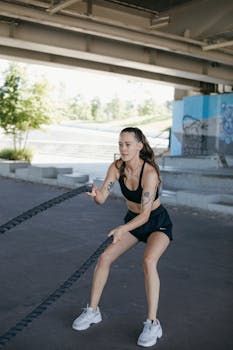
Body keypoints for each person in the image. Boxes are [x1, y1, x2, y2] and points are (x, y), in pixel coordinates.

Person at [72, 127, 173, 347]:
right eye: (120, 144)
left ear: (140, 146)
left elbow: (146, 215)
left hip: (156, 222)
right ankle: (92, 311)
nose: (123, 148)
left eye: (128, 144)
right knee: (105, 258)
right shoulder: (117, 167)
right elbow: (102, 199)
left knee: (148, 261)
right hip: (133, 221)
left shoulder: (150, 173)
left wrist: (122, 228)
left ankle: (153, 323)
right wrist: (96, 194)